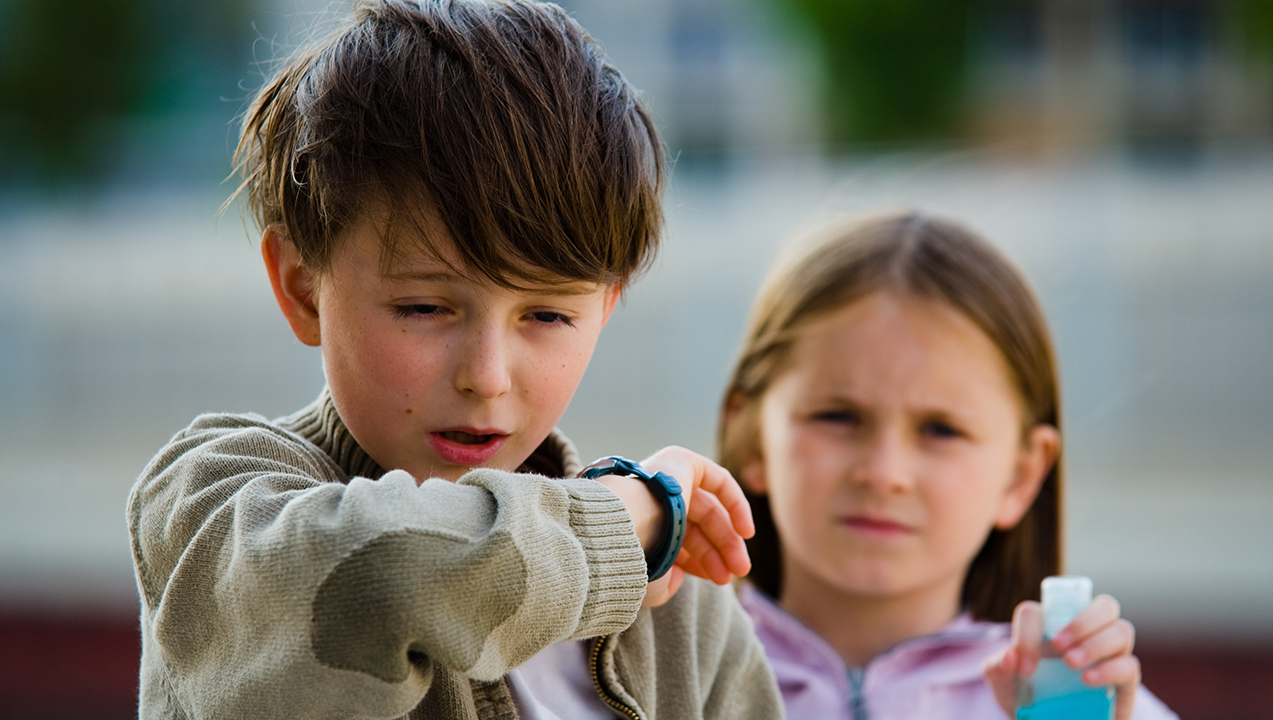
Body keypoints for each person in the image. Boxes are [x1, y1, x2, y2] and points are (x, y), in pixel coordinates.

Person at [126, 2, 781, 718]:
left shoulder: (683, 617)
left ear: (606, 308)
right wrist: (617, 528)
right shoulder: (213, 504)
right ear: (303, 286)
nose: (487, 375)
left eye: (548, 315)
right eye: (424, 309)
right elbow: (374, 582)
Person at [716, 211, 1178, 720]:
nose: (884, 473)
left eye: (941, 430)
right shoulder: (647, 685)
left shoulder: (1096, 712)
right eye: (838, 417)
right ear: (752, 439)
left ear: (1022, 476)